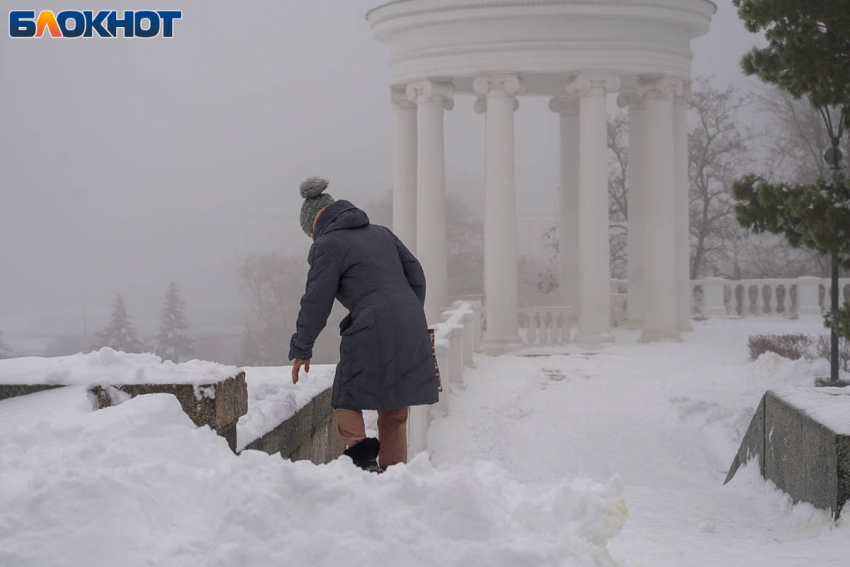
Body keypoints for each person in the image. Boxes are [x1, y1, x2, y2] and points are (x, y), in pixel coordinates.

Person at [289, 177, 439, 473]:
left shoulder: (327, 245)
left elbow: (316, 302)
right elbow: (417, 276)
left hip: (372, 321)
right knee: (396, 402)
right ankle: (395, 473)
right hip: (410, 319)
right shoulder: (382, 233)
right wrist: (404, 315)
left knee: (345, 393)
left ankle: (362, 454)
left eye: (309, 233)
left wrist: (302, 347)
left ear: (314, 224)